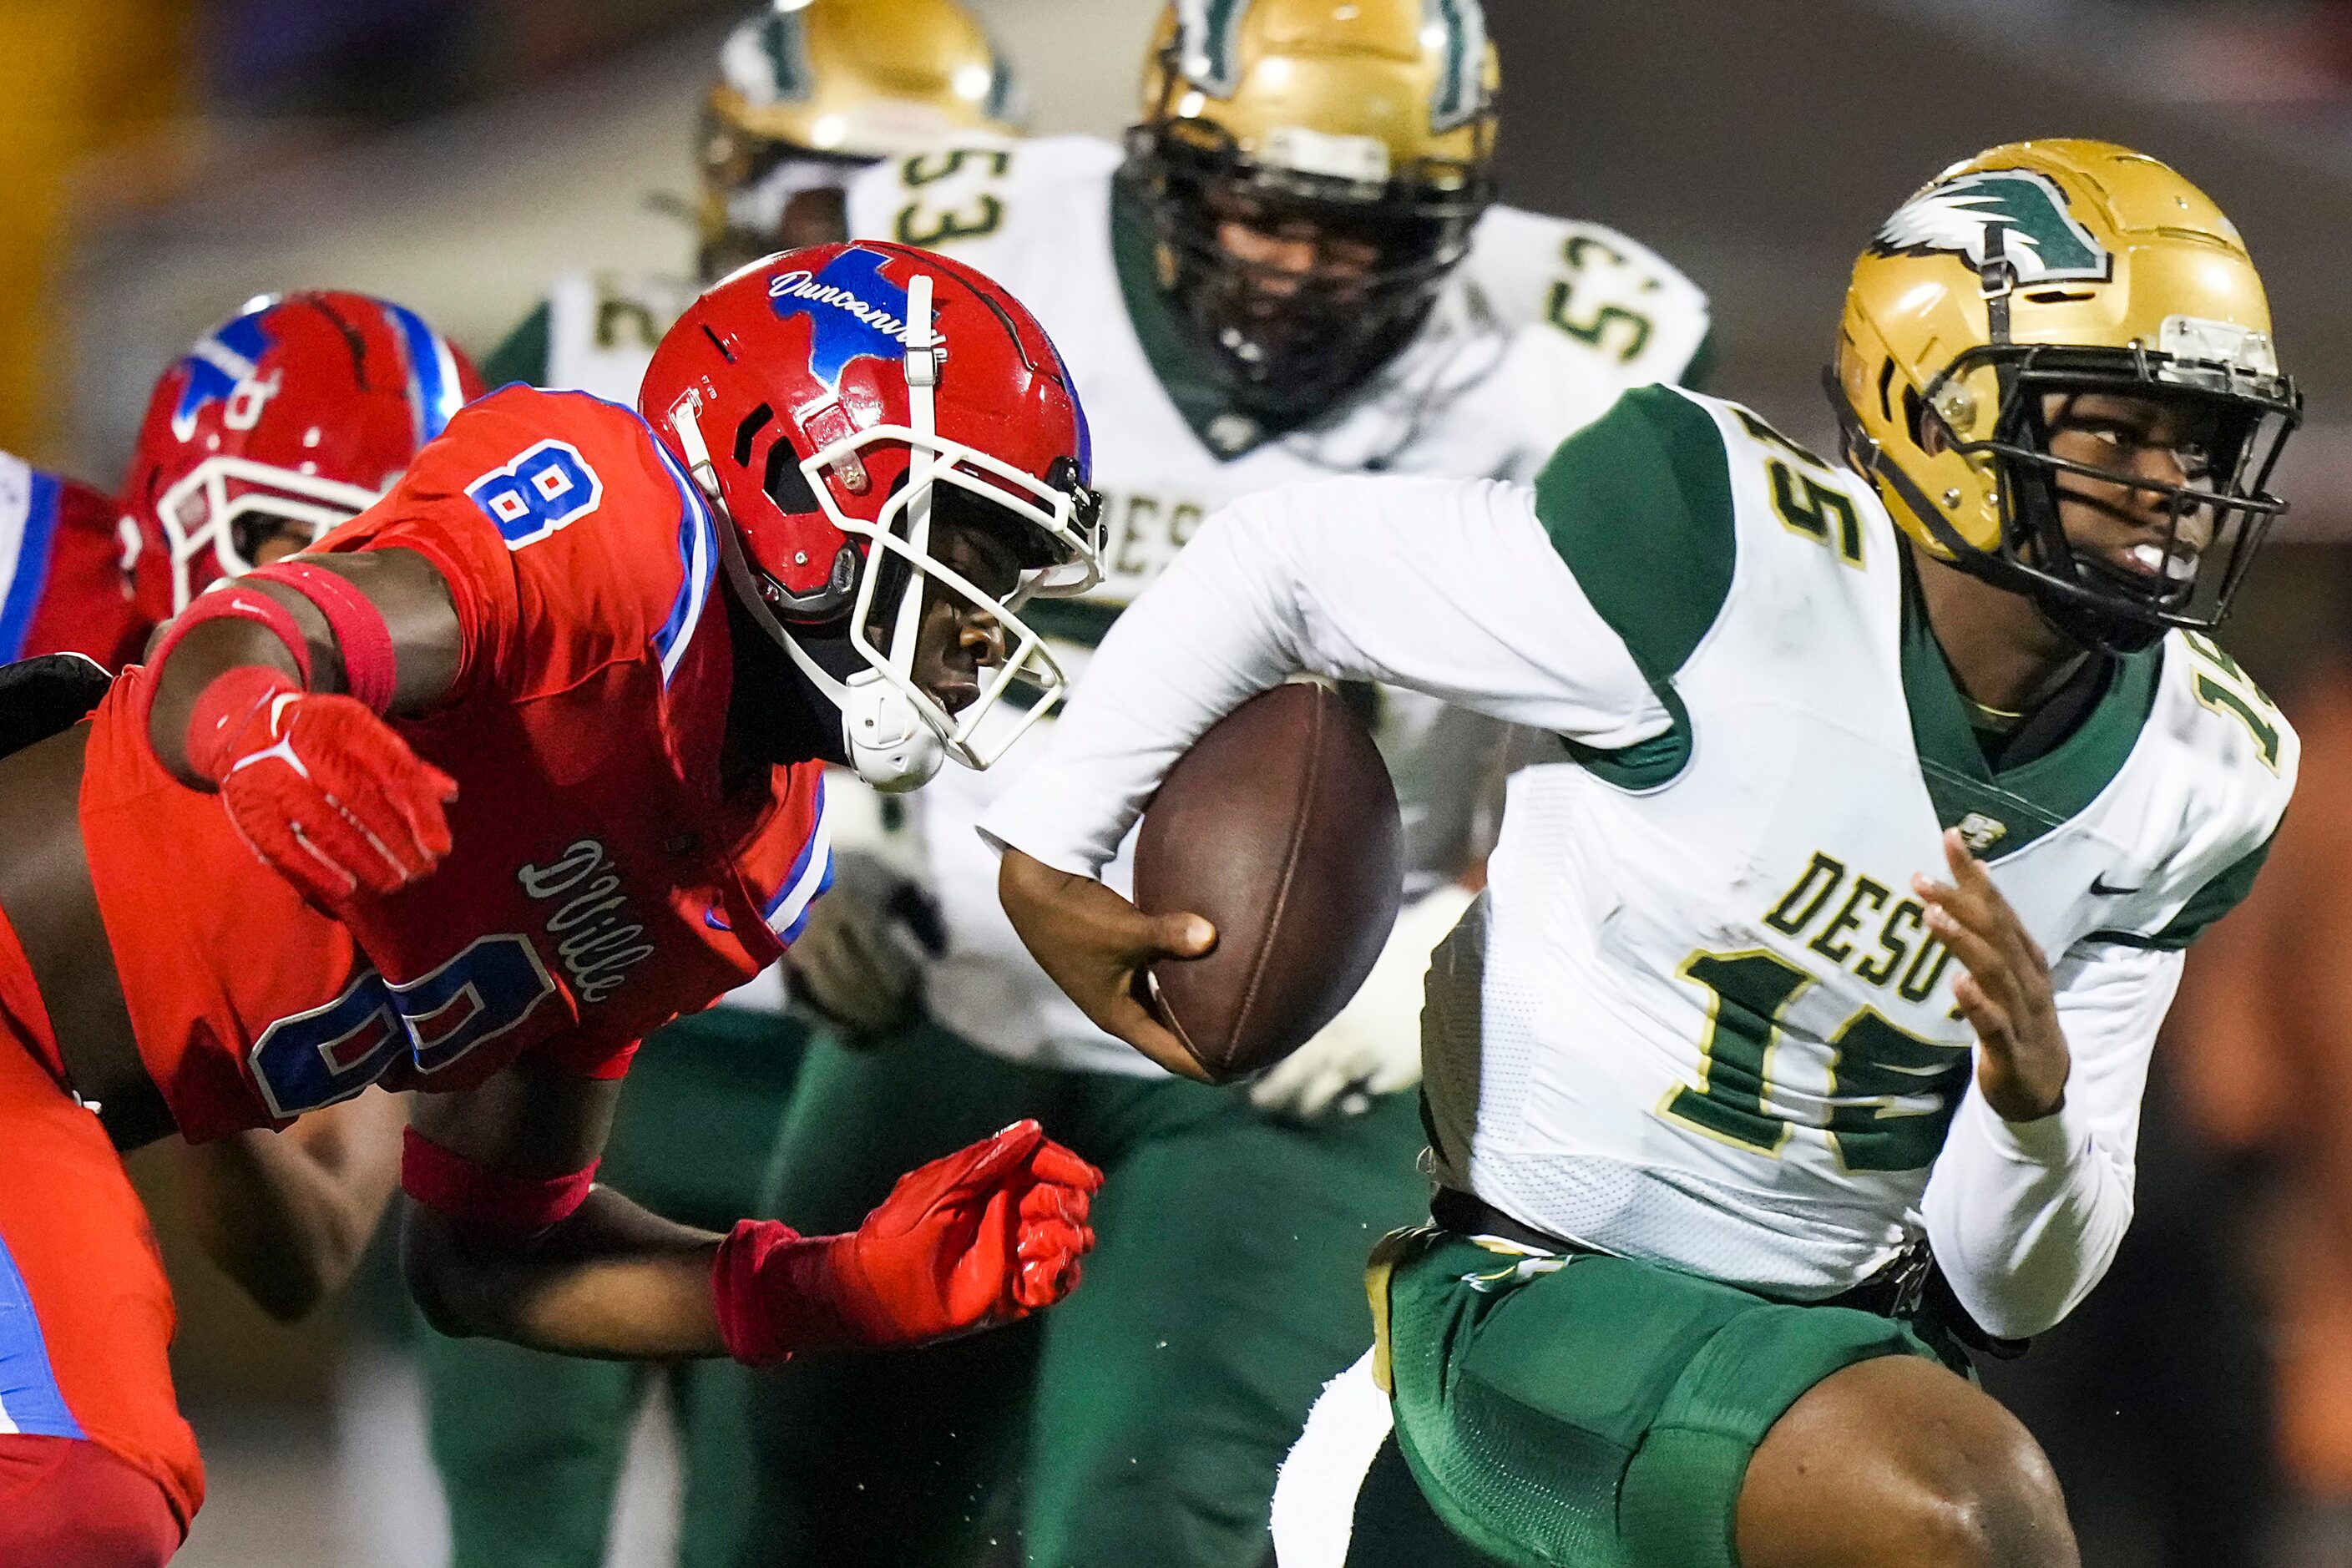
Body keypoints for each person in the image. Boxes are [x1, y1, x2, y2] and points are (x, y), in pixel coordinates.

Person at [985, 139, 2299, 1568]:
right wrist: (1051, 845)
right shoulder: (1721, 560)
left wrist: (2031, 1104)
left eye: (2201, 442)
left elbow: (2006, 1288)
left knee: (1960, 1481)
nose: (2170, 484)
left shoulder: (2197, 769)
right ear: (1936, 403)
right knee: (1972, 1515)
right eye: (2114, 428)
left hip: (1836, 1360)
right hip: (1540, 1312)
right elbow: (1284, 565)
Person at [731, 3, 1711, 1564]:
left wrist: (1470, 940)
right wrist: (824, 835)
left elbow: (1679, 737)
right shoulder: (962, 250)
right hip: (956, 975)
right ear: (1162, 168)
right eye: (1257, 203)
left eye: (1358, 228)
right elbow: (765, 548)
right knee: (804, 1498)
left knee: (1150, 1521)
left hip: (1301, 1046)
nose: (1294, 261)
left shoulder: (1590, 357)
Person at [0, 239, 1105, 1566]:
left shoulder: (758, 856)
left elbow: (486, 1254)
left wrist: (838, 1284)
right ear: (795, 471)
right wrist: (265, 725)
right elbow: (248, 641)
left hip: (49, 1096)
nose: (986, 624)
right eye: (966, 542)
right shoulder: (615, 530)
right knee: (75, 1495)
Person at [435, 8, 1019, 1565]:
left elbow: (995, 675)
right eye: (831, 189)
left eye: (927, 188)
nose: (868, 241)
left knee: (771, 1503)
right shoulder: (585, 336)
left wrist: (887, 863)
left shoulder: (999, 391)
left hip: (837, 1040)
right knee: (517, 1481)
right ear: (732, 173)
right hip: (568, 979)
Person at [8, 290, 485, 1322]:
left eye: (397, 562)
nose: (349, 596)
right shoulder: (32, 565)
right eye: (307, 542)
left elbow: (307, 1246)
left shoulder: (384, 808)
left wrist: (199, 1061)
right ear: (185, 516)